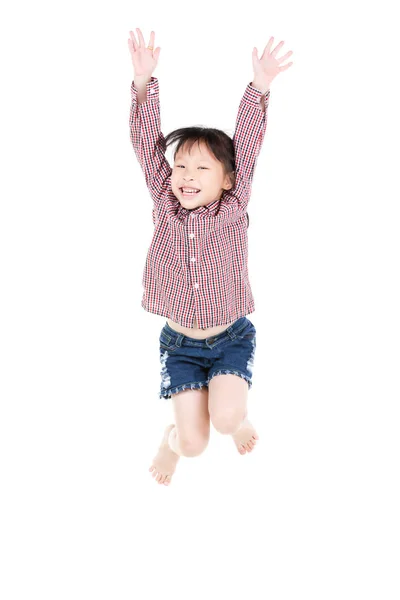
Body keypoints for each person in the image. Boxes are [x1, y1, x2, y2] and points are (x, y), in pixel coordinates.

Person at [127, 28, 293, 485]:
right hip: (179, 345)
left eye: (202, 168)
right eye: (181, 165)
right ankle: (171, 442)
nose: (186, 175)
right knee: (194, 444)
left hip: (229, 337)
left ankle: (238, 419)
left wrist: (259, 87)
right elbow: (147, 148)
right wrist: (143, 83)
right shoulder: (165, 203)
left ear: (226, 179)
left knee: (224, 420)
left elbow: (249, 142)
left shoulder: (233, 206)